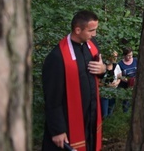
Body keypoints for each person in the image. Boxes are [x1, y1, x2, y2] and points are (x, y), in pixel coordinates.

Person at [42, 10, 107, 151]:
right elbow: (52, 98)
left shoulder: (92, 45)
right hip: (67, 123)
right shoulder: (57, 58)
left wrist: (102, 70)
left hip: (90, 119)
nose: (94, 34)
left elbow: (100, 72)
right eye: (91, 30)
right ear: (78, 30)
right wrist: (57, 129)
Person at [100, 50, 121, 117]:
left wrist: (117, 83)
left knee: (110, 111)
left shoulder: (116, 66)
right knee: (104, 113)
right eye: (114, 56)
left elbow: (119, 77)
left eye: (116, 56)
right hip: (104, 93)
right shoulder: (103, 66)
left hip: (113, 92)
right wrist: (107, 85)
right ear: (109, 57)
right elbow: (97, 82)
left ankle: (110, 124)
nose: (116, 58)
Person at [117, 46, 138, 112]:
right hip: (125, 85)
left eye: (131, 55)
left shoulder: (135, 61)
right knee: (126, 101)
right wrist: (123, 78)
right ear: (124, 55)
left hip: (135, 83)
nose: (130, 57)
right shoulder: (120, 64)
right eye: (128, 55)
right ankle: (125, 112)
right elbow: (118, 75)